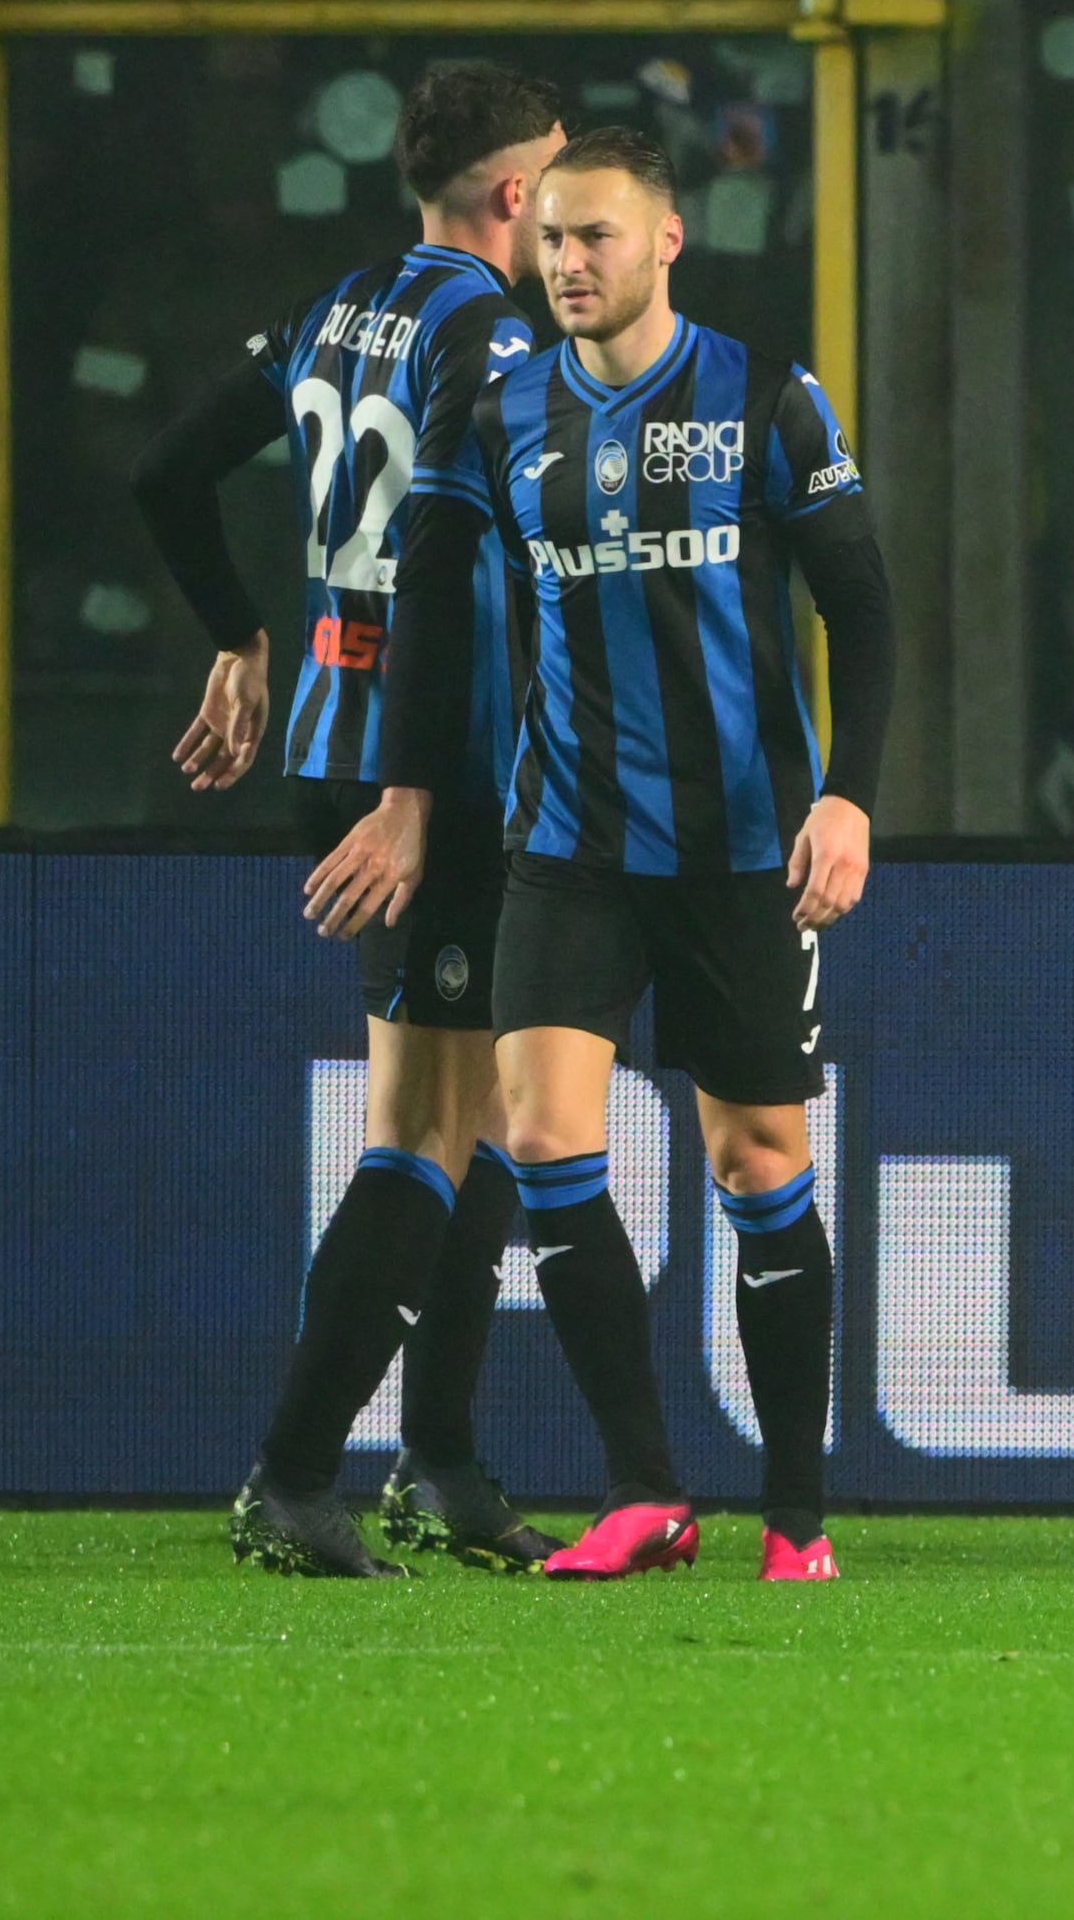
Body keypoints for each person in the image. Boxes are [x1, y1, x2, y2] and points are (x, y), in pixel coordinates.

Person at [373, 124, 896, 1582]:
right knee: (539, 1136)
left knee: (758, 1159)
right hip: (569, 843)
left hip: (741, 851)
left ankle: (798, 1512)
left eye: (595, 235)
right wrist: (406, 794)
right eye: (547, 237)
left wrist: (849, 795)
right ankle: (645, 1486)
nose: (567, 263)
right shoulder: (498, 403)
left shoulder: (766, 397)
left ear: (668, 239)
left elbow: (865, 608)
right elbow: (428, 594)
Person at [132, 61, 570, 1580]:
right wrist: (417, 801)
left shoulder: (343, 303)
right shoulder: (496, 331)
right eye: (557, 181)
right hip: (428, 763)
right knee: (430, 1125)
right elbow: (449, 569)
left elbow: (168, 467)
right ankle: (296, 1473)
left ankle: (440, 1458)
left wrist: (238, 634)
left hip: (336, 730)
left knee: (497, 1105)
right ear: (515, 193)